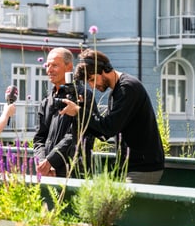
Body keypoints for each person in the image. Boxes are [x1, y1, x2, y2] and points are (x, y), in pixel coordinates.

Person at [59, 49, 165, 184]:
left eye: (92, 79)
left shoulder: (127, 88)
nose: (92, 86)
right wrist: (82, 109)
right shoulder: (116, 92)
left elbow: (108, 128)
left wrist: (79, 112)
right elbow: (104, 134)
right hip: (129, 167)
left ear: (105, 69)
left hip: (143, 168)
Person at [33, 47, 98, 178]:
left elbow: (77, 135)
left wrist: (51, 161)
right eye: (48, 65)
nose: (49, 70)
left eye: (55, 65)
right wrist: (42, 163)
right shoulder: (47, 101)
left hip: (73, 173)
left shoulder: (83, 96)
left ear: (69, 67)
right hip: (47, 173)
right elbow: (39, 137)